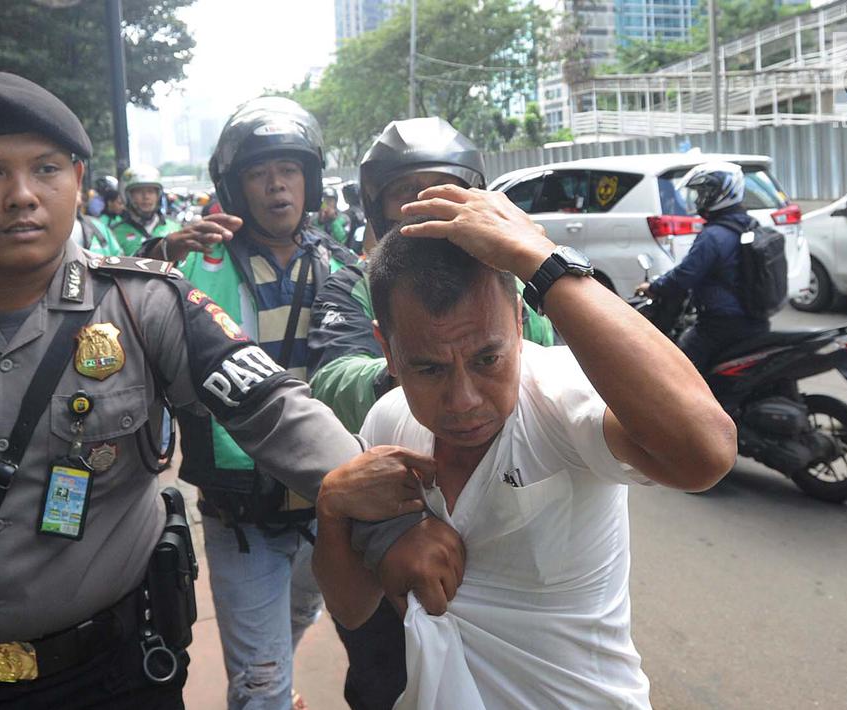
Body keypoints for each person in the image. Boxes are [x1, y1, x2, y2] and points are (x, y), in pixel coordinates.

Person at [0, 70, 434, 710]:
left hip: (111, 676)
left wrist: (392, 523)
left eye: (46, 168)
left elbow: (272, 409)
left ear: (77, 180)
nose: (22, 195)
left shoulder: (144, 306)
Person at [312, 187, 737, 708]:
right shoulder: (388, 420)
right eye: (429, 368)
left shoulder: (560, 395)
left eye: (488, 359)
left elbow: (708, 452)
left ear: (518, 323)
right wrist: (332, 507)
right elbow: (352, 608)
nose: (464, 401)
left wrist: (542, 260)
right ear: (388, 351)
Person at [306, 116, 556, 710]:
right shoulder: (353, 284)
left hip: (509, 526)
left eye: (442, 189)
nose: (424, 207)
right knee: (385, 679)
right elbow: (333, 381)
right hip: (396, 526)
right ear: (375, 207)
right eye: (405, 194)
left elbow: (555, 367)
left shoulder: (514, 284)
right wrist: (416, 364)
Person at [138, 96, 358, 710]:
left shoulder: (342, 265)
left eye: (288, 170)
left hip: (327, 503)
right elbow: (120, 305)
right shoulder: (198, 265)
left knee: (293, 623)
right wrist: (162, 255)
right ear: (235, 187)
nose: (276, 185)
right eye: (260, 173)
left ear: (309, 181)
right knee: (256, 686)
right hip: (243, 516)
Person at [638, 162, 770, 371]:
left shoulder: (713, 236)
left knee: (679, 368)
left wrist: (654, 287)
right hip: (754, 319)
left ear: (722, 192)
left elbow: (685, 275)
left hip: (721, 324)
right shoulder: (748, 225)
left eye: (705, 192)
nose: (700, 199)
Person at [109, 164, 177, 255]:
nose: (146, 197)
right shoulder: (114, 233)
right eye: (139, 191)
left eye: (151, 191)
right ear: (128, 196)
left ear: (158, 195)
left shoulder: (175, 227)